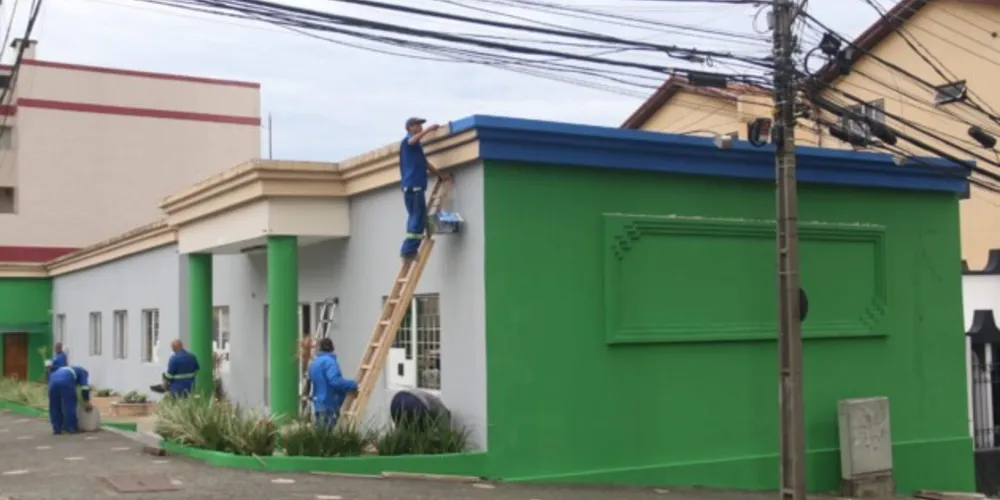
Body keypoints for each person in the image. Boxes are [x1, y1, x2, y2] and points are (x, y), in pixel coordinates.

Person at [399, 117, 446, 261]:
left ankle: (410, 249)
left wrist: (440, 175)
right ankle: (408, 250)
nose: (420, 127)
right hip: (413, 186)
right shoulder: (408, 141)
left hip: (414, 187)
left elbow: (425, 163)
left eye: (421, 125)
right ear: (410, 127)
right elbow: (412, 140)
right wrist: (429, 130)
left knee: (417, 217)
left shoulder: (417, 148)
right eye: (418, 125)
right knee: (417, 218)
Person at [308, 338, 358, 428]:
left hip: (318, 403)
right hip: (329, 403)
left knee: (320, 434)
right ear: (332, 347)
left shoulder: (314, 363)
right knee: (329, 434)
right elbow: (335, 381)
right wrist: (353, 384)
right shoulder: (330, 362)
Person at [47, 365, 92, 435]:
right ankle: (71, 428)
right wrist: (87, 401)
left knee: (54, 406)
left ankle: (57, 429)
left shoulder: (65, 368)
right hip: (66, 382)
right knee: (70, 404)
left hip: (52, 382)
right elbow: (85, 388)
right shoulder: (83, 372)